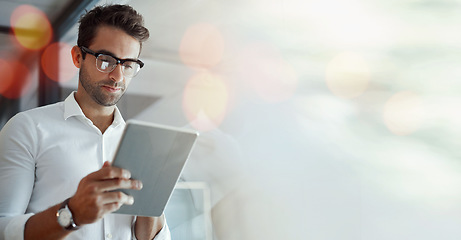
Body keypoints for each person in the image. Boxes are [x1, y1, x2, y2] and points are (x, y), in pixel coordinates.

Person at [0, 4, 170, 240]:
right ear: (78, 56)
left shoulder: (142, 145)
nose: (118, 76)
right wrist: (72, 213)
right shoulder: (27, 128)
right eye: (106, 60)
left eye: (128, 64)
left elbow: (150, 236)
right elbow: (3, 228)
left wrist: (152, 201)